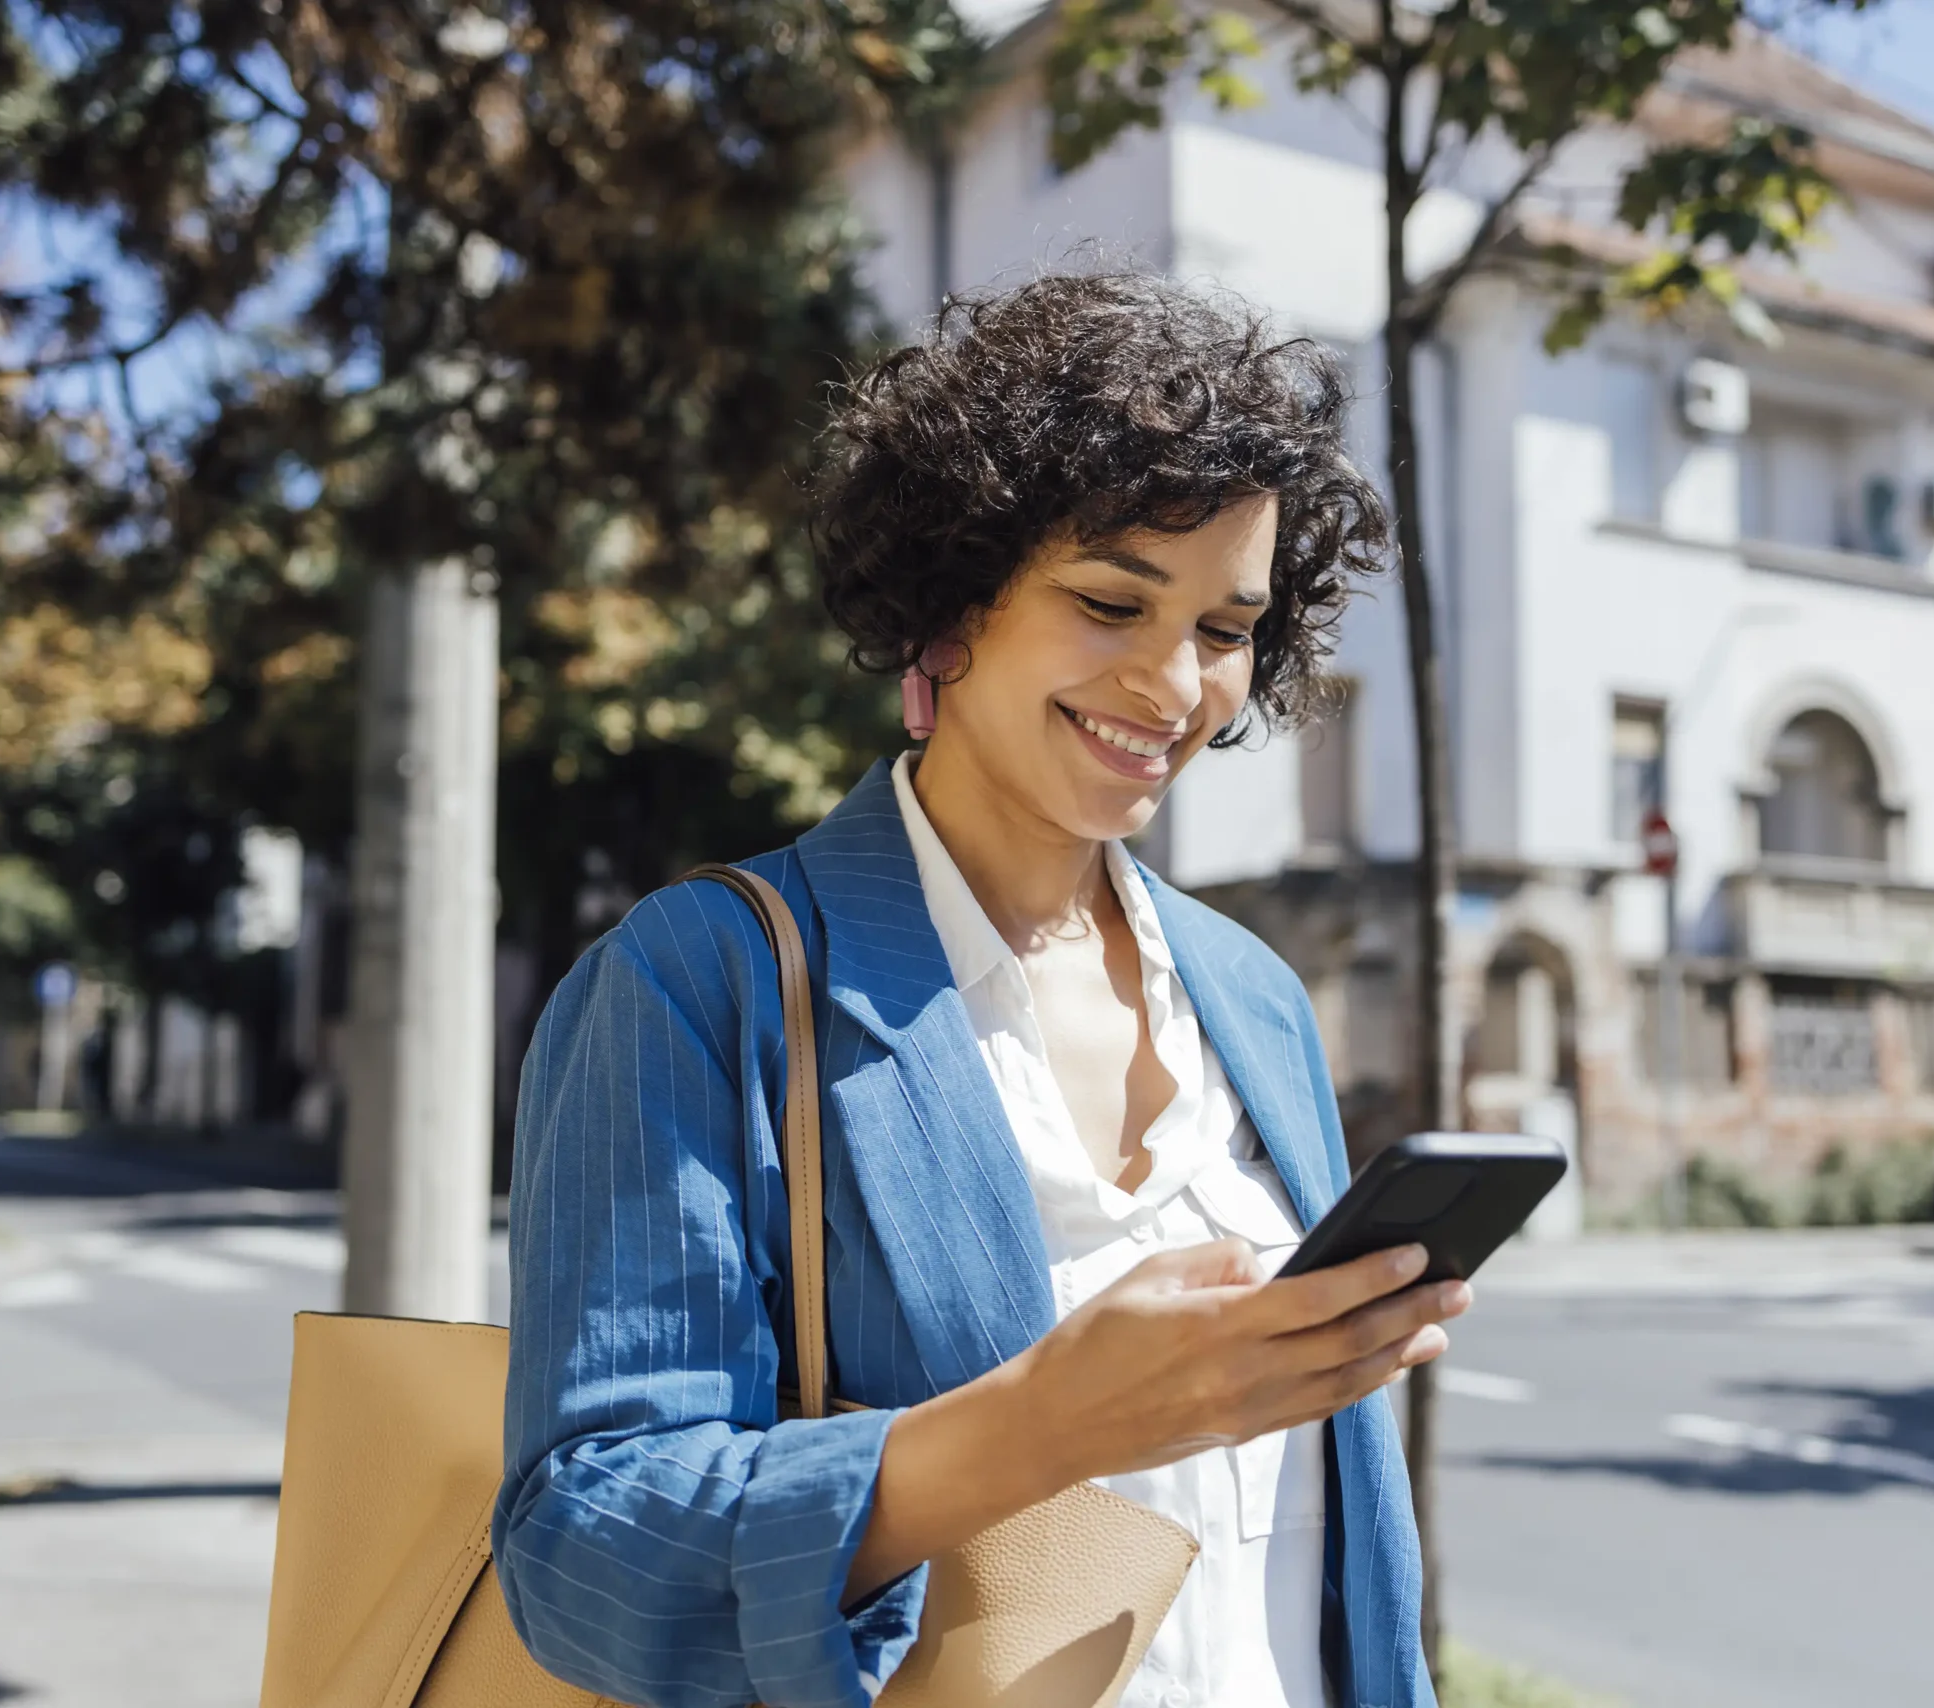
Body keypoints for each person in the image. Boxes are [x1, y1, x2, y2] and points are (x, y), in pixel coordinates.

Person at [496, 272, 1469, 1708]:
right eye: (1109, 601)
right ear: (952, 608)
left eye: (1223, 628)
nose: (1174, 681)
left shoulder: (1253, 997)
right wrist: (1039, 1426)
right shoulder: (699, 982)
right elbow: (584, 1548)